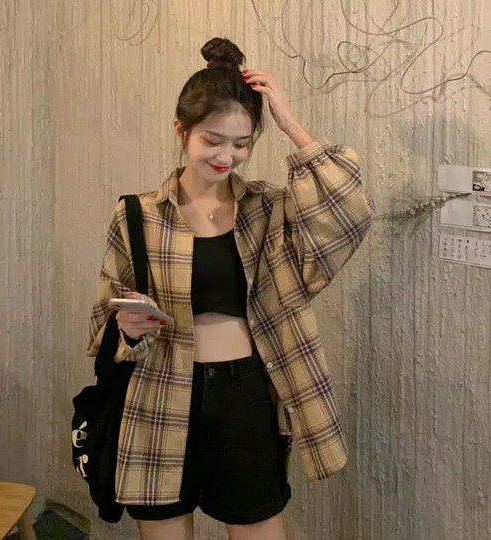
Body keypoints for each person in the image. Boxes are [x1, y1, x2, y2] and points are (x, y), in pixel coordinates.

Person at [87, 37, 373, 540]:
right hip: (158, 391)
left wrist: (289, 122)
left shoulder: (268, 209)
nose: (227, 156)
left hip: (244, 395)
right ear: (182, 131)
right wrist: (128, 328)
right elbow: (102, 323)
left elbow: (349, 211)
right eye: (212, 140)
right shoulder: (137, 214)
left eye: (241, 144)